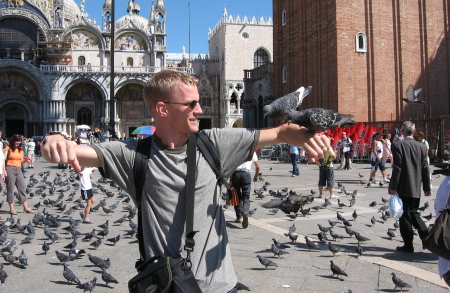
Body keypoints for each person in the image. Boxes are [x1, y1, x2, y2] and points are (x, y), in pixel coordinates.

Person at [41, 70, 329, 293]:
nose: (200, 110)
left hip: (218, 285)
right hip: (166, 285)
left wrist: (303, 135)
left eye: (200, 103)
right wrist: (53, 139)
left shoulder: (215, 143)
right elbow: (68, 152)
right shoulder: (132, 155)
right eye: (191, 104)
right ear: (163, 109)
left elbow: (278, 134)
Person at [388, 121, 431, 253]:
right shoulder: (422, 147)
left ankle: (409, 244)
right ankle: (426, 236)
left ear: (402, 131)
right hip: (416, 186)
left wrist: (393, 186)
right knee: (413, 212)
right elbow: (425, 168)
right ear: (414, 131)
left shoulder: (397, 145)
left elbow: (398, 167)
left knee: (405, 216)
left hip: (403, 186)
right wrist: (427, 187)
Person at [4, 134, 34, 215]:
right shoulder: (8, 148)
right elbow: (3, 159)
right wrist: (3, 171)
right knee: (10, 189)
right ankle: (12, 208)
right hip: (9, 168)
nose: (18, 142)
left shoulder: (21, 150)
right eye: (17, 140)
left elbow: (20, 161)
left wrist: (26, 160)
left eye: (19, 140)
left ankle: (25, 207)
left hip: (18, 169)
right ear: (13, 141)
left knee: (22, 188)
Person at [230, 151, 260, 229]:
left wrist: (230, 179)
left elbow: (231, 166)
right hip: (246, 174)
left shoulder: (236, 149)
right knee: (246, 196)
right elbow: (257, 166)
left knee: (236, 196)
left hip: (235, 174)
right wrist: (256, 176)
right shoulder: (252, 151)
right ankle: (246, 211)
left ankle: (239, 217)